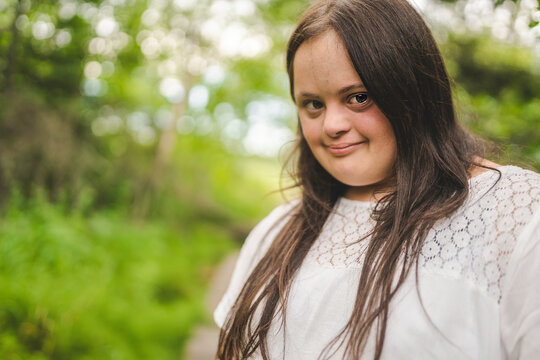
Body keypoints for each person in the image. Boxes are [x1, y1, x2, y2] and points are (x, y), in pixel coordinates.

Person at [213, 0, 540, 359]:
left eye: (358, 97)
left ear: (414, 93)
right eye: (313, 104)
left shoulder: (515, 213)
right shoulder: (278, 231)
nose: (331, 125)